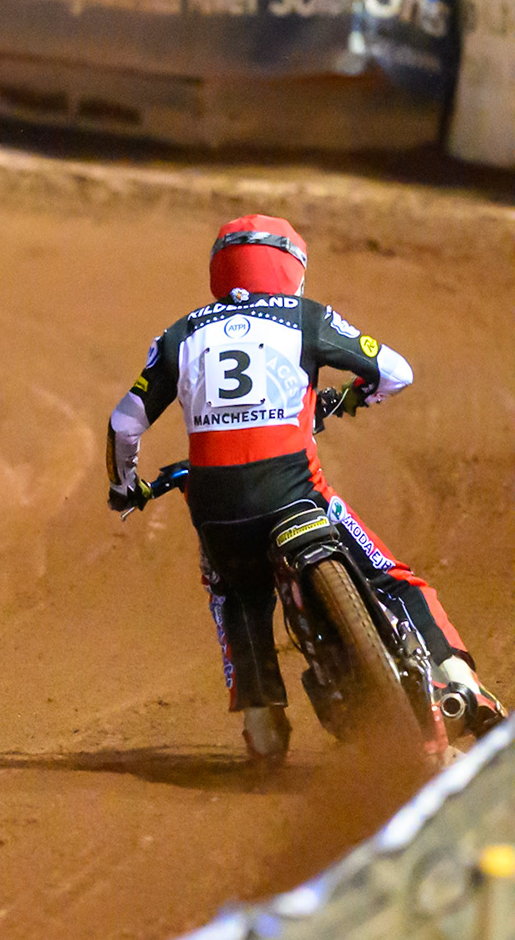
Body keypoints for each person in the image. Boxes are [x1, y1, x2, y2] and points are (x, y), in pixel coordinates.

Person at [106, 213, 502, 765]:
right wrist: (349, 400)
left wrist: (127, 488)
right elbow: (396, 372)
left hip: (218, 513)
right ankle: (463, 683)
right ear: (292, 267)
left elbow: (124, 426)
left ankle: (262, 720)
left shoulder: (180, 334)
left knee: (232, 592)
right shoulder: (304, 317)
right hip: (297, 494)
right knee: (397, 581)